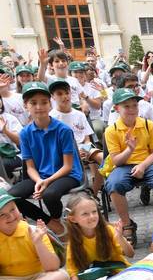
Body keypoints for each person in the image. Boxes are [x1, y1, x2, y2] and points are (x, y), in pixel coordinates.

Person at [42, 193, 133, 280]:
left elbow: (130, 253)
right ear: (73, 219)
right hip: (94, 279)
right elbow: (72, 267)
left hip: (118, 275)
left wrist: (120, 237)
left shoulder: (108, 230)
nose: (92, 216)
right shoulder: (75, 240)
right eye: (85, 214)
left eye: (94, 212)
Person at [8, 82, 83, 236]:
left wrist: (46, 182)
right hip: (39, 176)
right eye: (33, 103)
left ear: (50, 104)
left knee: (50, 194)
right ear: (25, 105)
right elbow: (30, 167)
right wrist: (39, 181)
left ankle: (56, 217)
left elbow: (68, 166)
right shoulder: (25, 133)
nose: (39, 107)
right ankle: (51, 222)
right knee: (9, 198)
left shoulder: (63, 130)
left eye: (44, 102)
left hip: (66, 175)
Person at [104, 88, 153, 245]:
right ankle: (127, 223)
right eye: (126, 106)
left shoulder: (148, 125)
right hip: (124, 165)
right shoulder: (111, 130)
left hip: (147, 162)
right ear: (117, 109)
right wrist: (129, 149)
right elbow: (116, 161)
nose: (131, 110)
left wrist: (142, 165)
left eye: (134, 105)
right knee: (113, 184)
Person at [0, 188, 68, 280]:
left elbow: (52, 267)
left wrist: (38, 242)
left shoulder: (32, 230)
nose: (10, 216)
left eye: (12, 209)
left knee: (61, 277)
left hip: (38, 277)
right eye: (2, 215)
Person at [48, 79, 104, 195]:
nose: (64, 96)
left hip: (82, 148)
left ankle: (94, 192)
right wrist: (74, 152)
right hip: (64, 153)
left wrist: (85, 149)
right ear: (53, 97)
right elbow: (52, 144)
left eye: (67, 93)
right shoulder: (51, 117)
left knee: (103, 159)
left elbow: (87, 139)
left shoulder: (79, 114)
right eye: (59, 94)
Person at [0, 99, 23, 176]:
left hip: (14, 155)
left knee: (2, 164)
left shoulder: (9, 118)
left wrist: (5, 131)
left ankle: (9, 181)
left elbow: (20, 141)